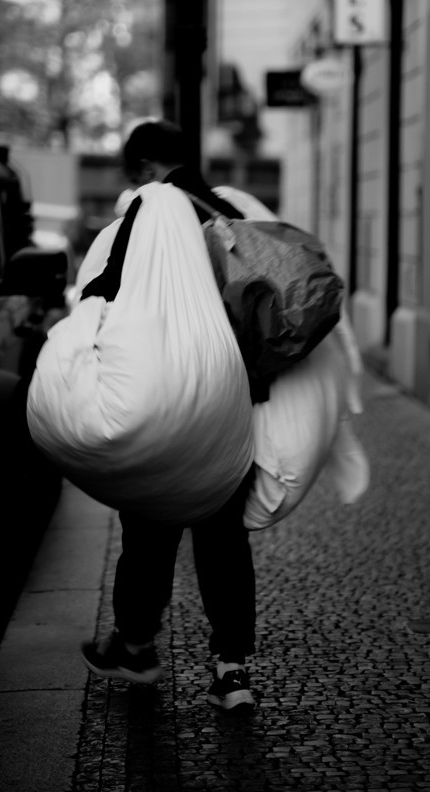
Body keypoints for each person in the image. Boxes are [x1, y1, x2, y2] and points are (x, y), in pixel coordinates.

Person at [79, 119, 257, 713]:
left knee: (149, 526)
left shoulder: (151, 209)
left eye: (136, 175)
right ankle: (232, 670)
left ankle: (135, 646)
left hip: (168, 393)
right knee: (223, 537)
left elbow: (106, 290)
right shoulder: (228, 210)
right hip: (230, 399)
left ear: (146, 168)